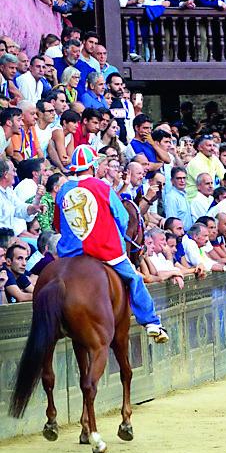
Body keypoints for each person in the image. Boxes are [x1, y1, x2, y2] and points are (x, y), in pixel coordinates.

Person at [55, 145, 169, 343]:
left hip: (69, 254)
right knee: (134, 279)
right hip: (104, 251)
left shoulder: (63, 189)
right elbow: (123, 219)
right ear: (93, 166)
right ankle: (151, 323)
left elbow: (58, 224)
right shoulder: (103, 186)